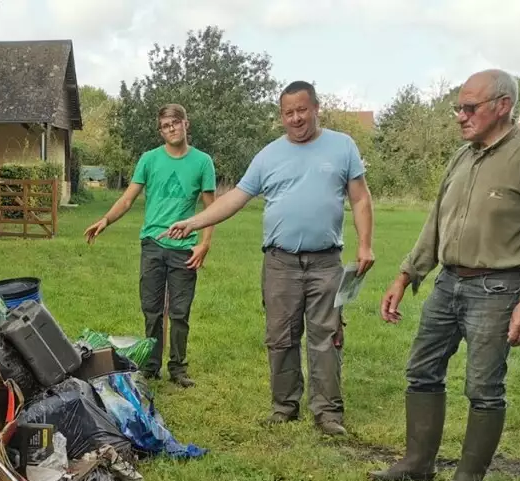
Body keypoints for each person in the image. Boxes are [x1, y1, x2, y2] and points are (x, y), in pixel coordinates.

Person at [371, 69, 520, 481]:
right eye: (458, 107)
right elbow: (435, 225)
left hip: (498, 289)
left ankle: (467, 480)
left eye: (469, 107)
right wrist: (406, 275)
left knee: (483, 386)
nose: (460, 116)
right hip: (448, 283)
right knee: (421, 372)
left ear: (503, 105)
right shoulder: (461, 158)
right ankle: (417, 463)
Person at [166, 81, 373, 435]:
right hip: (280, 262)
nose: (296, 119)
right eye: (288, 113)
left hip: (326, 261)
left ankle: (328, 413)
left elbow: (360, 199)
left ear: (316, 108)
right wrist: (194, 222)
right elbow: (235, 198)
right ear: (281, 116)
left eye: (302, 110)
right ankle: (284, 406)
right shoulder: (268, 156)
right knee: (280, 336)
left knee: (326, 336)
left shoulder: (342, 147)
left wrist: (365, 245)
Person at [84, 104, 215, 387]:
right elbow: (128, 199)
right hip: (152, 245)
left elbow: (209, 209)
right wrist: (105, 220)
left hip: (184, 247)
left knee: (180, 312)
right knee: (152, 309)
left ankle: (178, 368)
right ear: (161, 130)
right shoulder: (149, 159)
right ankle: (151, 366)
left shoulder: (203, 162)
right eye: (165, 126)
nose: (171, 129)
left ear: (185, 124)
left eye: (175, 123)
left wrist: (204, 244)